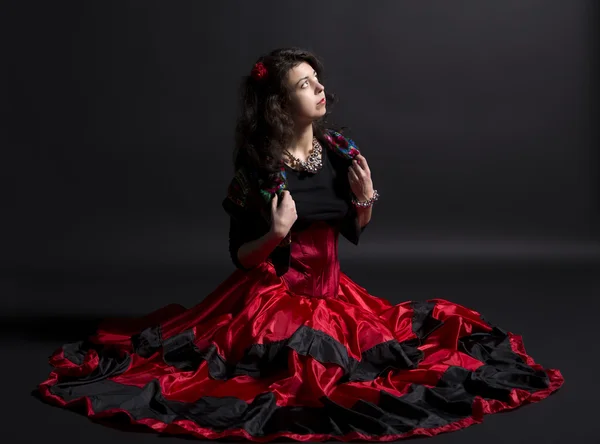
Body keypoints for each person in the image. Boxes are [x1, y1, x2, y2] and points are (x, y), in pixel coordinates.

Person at [37, 47, 564, 442]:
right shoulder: (260, 169)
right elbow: (241, 257)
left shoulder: (339, 150)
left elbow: (351, 229)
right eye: (303, 84)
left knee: (406, 358)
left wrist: (365, 199)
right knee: (289, 377)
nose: (318, 90)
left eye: (317, 81)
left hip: (337, 294)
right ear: (279, 103)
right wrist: (275, 233)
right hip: (273, 300)